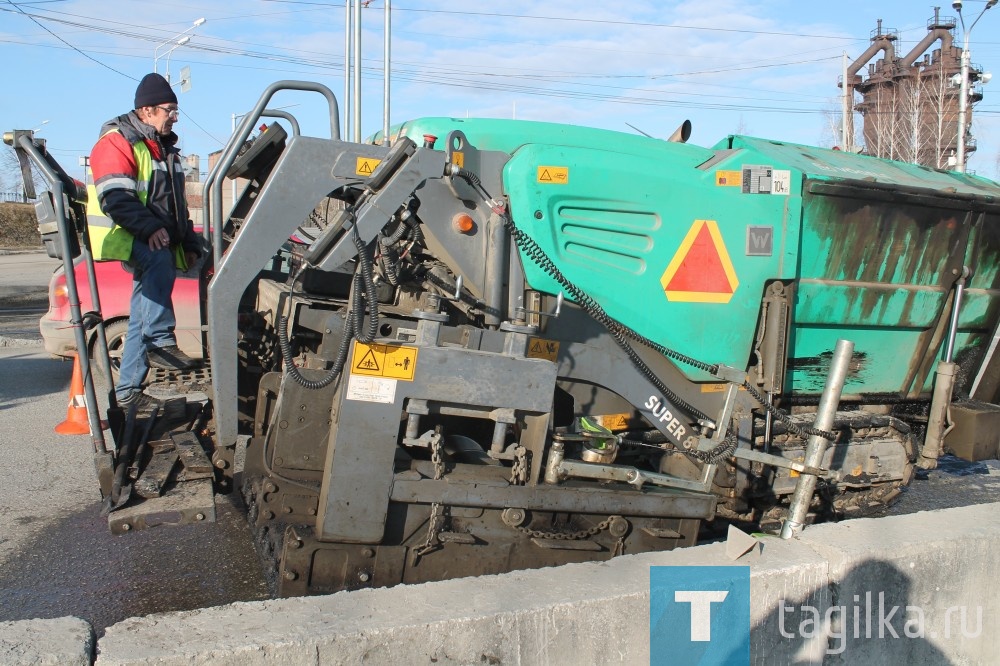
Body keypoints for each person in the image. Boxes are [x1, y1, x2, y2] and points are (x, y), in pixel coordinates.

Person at [89, 72, 202, 408]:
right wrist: (150, 229)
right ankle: (159, 341)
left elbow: (175, 207)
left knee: (140, 313)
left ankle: (127, 392)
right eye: (170, 109)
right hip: (125, 233)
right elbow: (115, 198)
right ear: (147, 110)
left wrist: (190, 241)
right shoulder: (117, 142)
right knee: (158, 259)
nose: (175, 116)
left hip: (149, 232)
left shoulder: (163, 149)